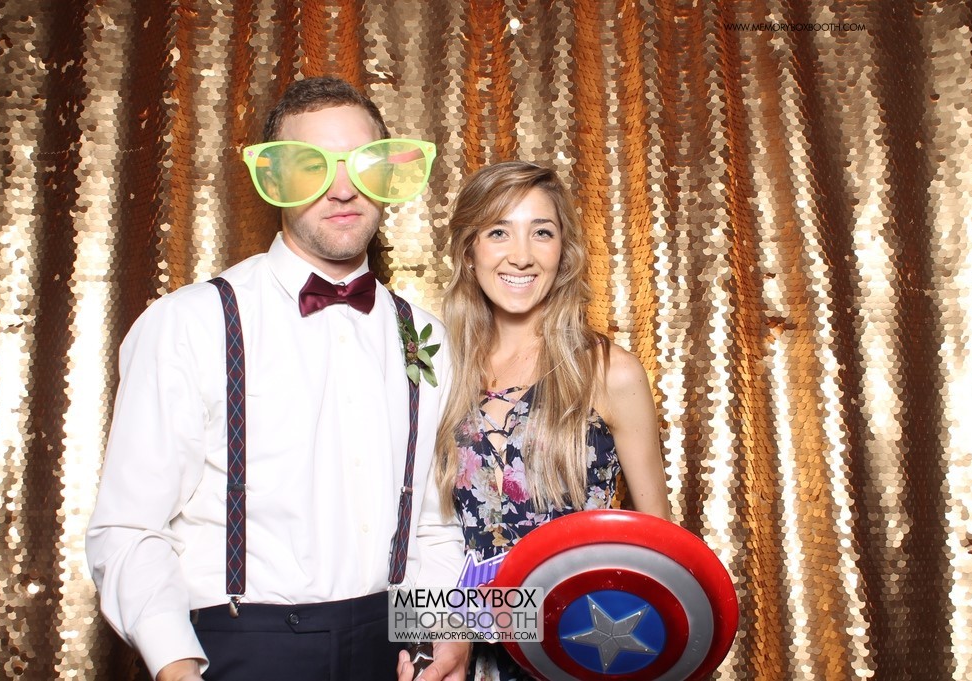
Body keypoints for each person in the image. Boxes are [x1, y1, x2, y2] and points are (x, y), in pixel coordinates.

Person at [87, 76, 469, 681]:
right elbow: (130, 528)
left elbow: (434, 521)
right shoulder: (191, 322)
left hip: (392, 646)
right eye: (309, 167)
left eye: (363, 164)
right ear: (273, 180)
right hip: (241, 646)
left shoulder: (425, 336)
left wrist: (449, 631)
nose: (342, 188)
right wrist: (176, 666)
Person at [429, 161, 671, 680]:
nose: (521, 255)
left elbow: (659, 543)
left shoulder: (608, 371)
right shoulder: (440, 370)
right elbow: (417, 537)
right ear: (469, 251)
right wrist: (435, 634)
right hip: (462, 658)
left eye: (541, 232)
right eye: (498, 232)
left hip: (582, 648)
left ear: (563, 252)